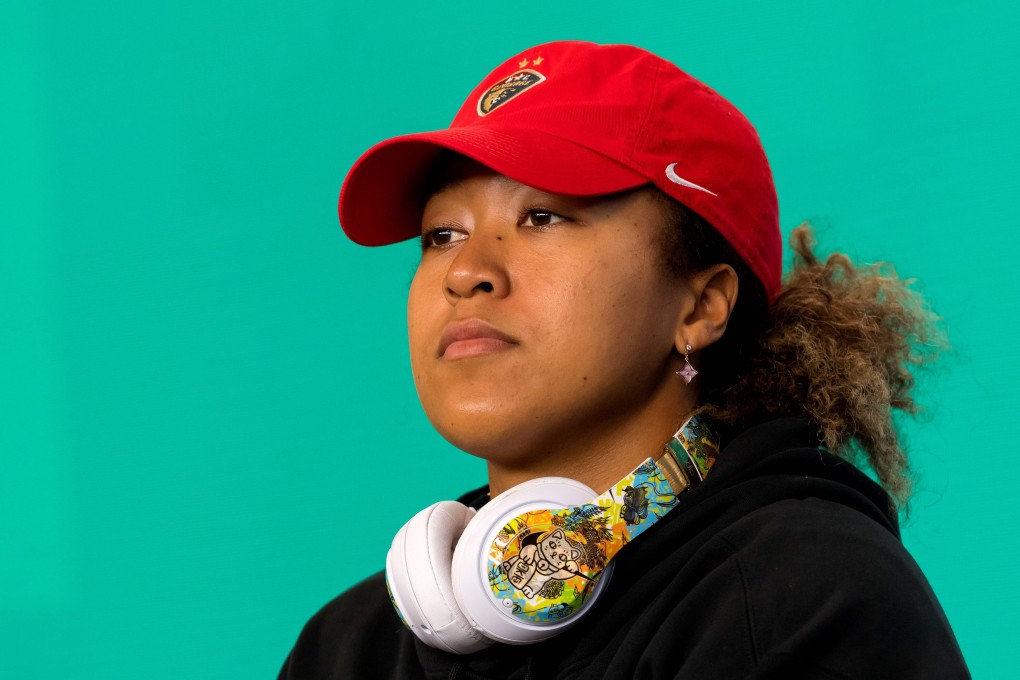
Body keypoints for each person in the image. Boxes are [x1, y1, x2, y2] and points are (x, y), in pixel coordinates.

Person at [278, 40, 969, 679]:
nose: (465, 273)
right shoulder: (349, 648)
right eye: (442, 235)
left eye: (541, 217)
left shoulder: (803, 600)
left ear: (700, 307)